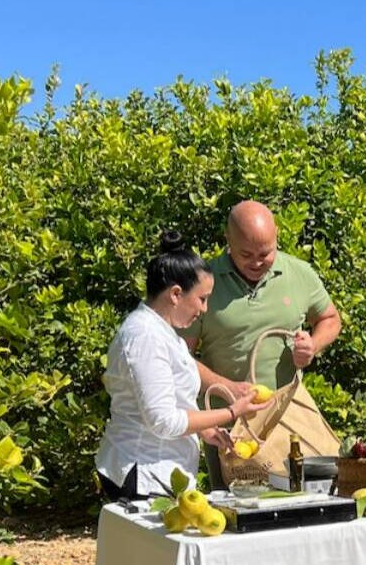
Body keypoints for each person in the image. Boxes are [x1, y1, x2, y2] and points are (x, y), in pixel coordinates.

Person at [95, 231, 272, 500]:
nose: (204, 309)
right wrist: (232, 412)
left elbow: (175, 397)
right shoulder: (145, 336)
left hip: (162, 472)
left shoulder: (163, 330)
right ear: (176, 294)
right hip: (144, 474)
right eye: (202, 299)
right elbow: (163, 421)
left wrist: (208, 430)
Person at [181, 201, 342, 488]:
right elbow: (179, 358)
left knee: (301, 505)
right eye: (246, 254)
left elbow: (331, 318)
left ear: (277, 236)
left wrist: (312, 345)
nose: (256, 262)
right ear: (227, 240)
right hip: (229, 425)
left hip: (290, 419)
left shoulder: (299, 273)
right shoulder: (204, 282)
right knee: (237, 516)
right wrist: (227, 387)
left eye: (265, 253)